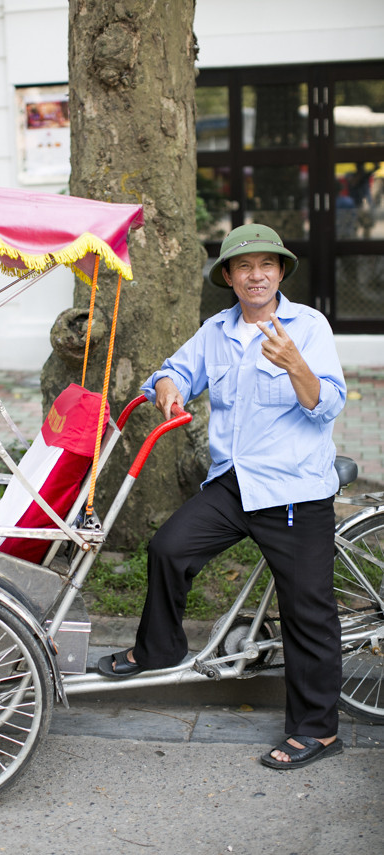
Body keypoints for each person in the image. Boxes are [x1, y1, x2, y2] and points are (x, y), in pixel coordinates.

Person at [98, 223, 347, 770]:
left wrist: (297, 366)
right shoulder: (218, 329)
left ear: (280, 272)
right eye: (243, 267)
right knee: (168, 548)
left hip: (293, 488)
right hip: (235, 483)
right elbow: (176, 371)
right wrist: (168, 386)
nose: (255, 276)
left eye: (266, 265)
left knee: (307, 610)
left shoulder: (308, 327)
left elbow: (327, 404)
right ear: (229, 278)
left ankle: (318, 730)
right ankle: (159, 649)